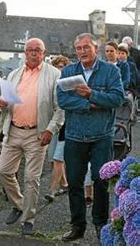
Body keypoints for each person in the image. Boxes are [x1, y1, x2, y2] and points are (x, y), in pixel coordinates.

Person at [57, 33, 124, 241]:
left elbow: (117, 98)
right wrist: (89, 105)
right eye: (78, 48)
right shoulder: (69, 71)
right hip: (75, 135)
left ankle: (100, 224)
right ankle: (77, 226)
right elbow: (62, 100)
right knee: (75, 183)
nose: (82, 52)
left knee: (100, 180)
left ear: (96, 48)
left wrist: (91, 94)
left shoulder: (110, 71)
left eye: (86, 47)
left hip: (101, 136)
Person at [0, 38, 64, 235]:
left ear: (43, 53)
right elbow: (8, 106)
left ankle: (28, 218)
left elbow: (60, 108)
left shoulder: (54, 75)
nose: (34, 53)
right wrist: (2, 105)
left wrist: (50, 129)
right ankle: (19, 204)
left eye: (38, 50)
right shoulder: (14, 75)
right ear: (25, 53)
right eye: (30, 50)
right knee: (3, 171)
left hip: (37, 133)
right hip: (14, 130)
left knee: (31, 178)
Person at [44, 55, 70, 202]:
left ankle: (52, 191)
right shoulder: (50, 85)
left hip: (66, 127)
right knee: (53, 160)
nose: (59, 70)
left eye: (62, 67)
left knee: (58, 158)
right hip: (53, 127)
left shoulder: (69, 85)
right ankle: (65, 184)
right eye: (57, 67)